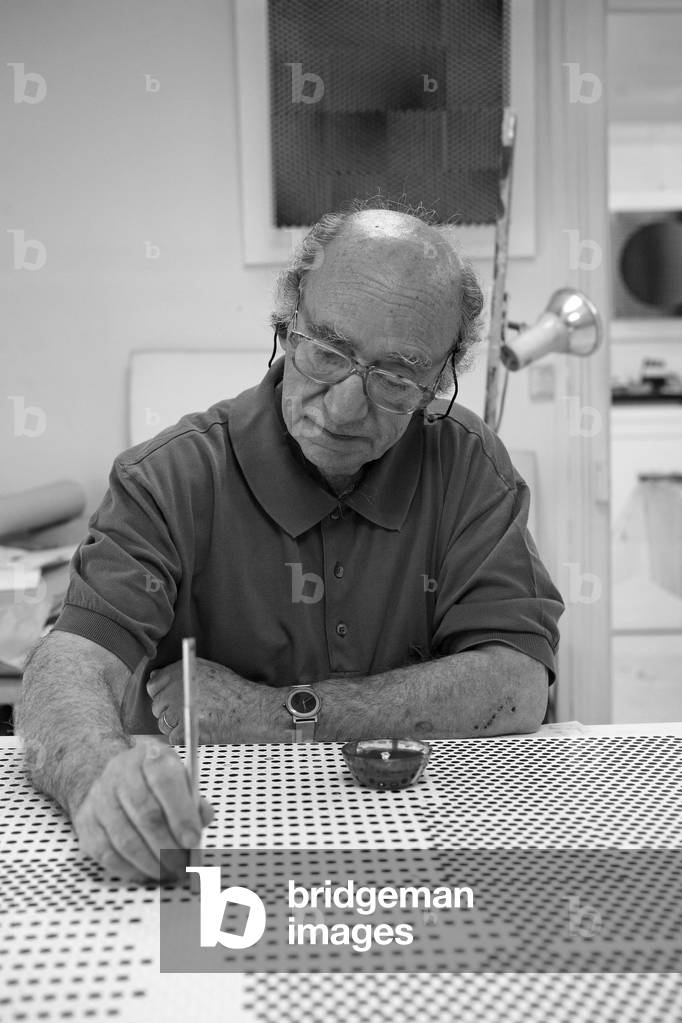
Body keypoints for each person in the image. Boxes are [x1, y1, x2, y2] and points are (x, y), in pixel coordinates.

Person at [17, 202, 564, 881]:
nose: (343, 409)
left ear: (439, 380)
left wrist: (276, 714)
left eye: (394, 378)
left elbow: (516, 685)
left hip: (420, 843)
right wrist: (97, 778)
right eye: (327, 353)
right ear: (287, 322)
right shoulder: (169, 478)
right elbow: (65, 667)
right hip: (209, 845)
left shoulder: (470, 465)